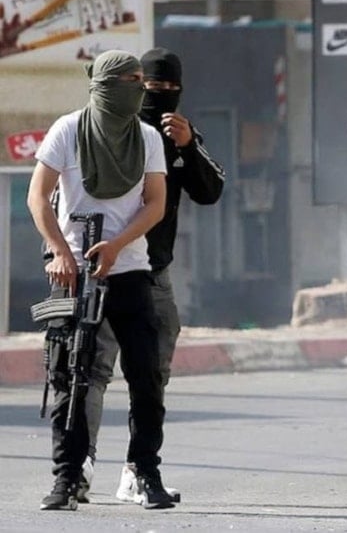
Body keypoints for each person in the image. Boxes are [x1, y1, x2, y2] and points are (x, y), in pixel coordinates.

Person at [27, 50, 174, 510]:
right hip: (73, 273)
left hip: (128, 269)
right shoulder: (68, 130)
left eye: (141, 80)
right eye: (129, 80)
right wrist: (60, 250)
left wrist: (116, 246)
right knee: (69, 375)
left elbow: (155, 203)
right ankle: (67, 478)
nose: (139, 88)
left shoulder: (147, 137)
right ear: (105, 86)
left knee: (145, 376)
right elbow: (38, 194)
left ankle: (145, 472)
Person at [79, 47, 225, 504]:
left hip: (152, 271)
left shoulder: (174, 134)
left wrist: (188, 146)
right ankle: (77, 466)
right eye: (149, 89)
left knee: (151, 374)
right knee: (90, 369)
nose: (157, 97)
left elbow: (211, 190)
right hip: (100, 268)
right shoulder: (93, 129)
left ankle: (136, 470)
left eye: (167, 90)